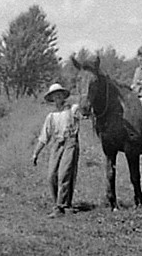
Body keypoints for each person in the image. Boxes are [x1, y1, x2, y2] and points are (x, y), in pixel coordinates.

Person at [32, 83, 81, 218]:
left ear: (64, 96)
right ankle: (58, 204)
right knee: (51, 176)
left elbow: (86, 110)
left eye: (60, 94)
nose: (57, 97)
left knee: (64, 174)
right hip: (56, 144)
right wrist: (36, 153)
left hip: (70, 142)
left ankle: (62, 206)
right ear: (52, 98)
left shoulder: (73, 109)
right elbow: (44, 137)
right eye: (55, 95)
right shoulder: (51, 116)